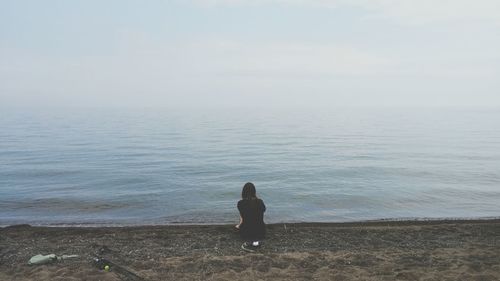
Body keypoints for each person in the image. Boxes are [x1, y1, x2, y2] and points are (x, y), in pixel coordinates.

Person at [235, 182, 266, 252]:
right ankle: (256, 242)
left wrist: (239, 226)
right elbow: (262, 214)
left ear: (243, 192)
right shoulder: (260, 202)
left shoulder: (240, 203)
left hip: (246, 232)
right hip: (261, 231)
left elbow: (243, 218)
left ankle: (251, 242)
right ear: (254, 192)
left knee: (243, 222)